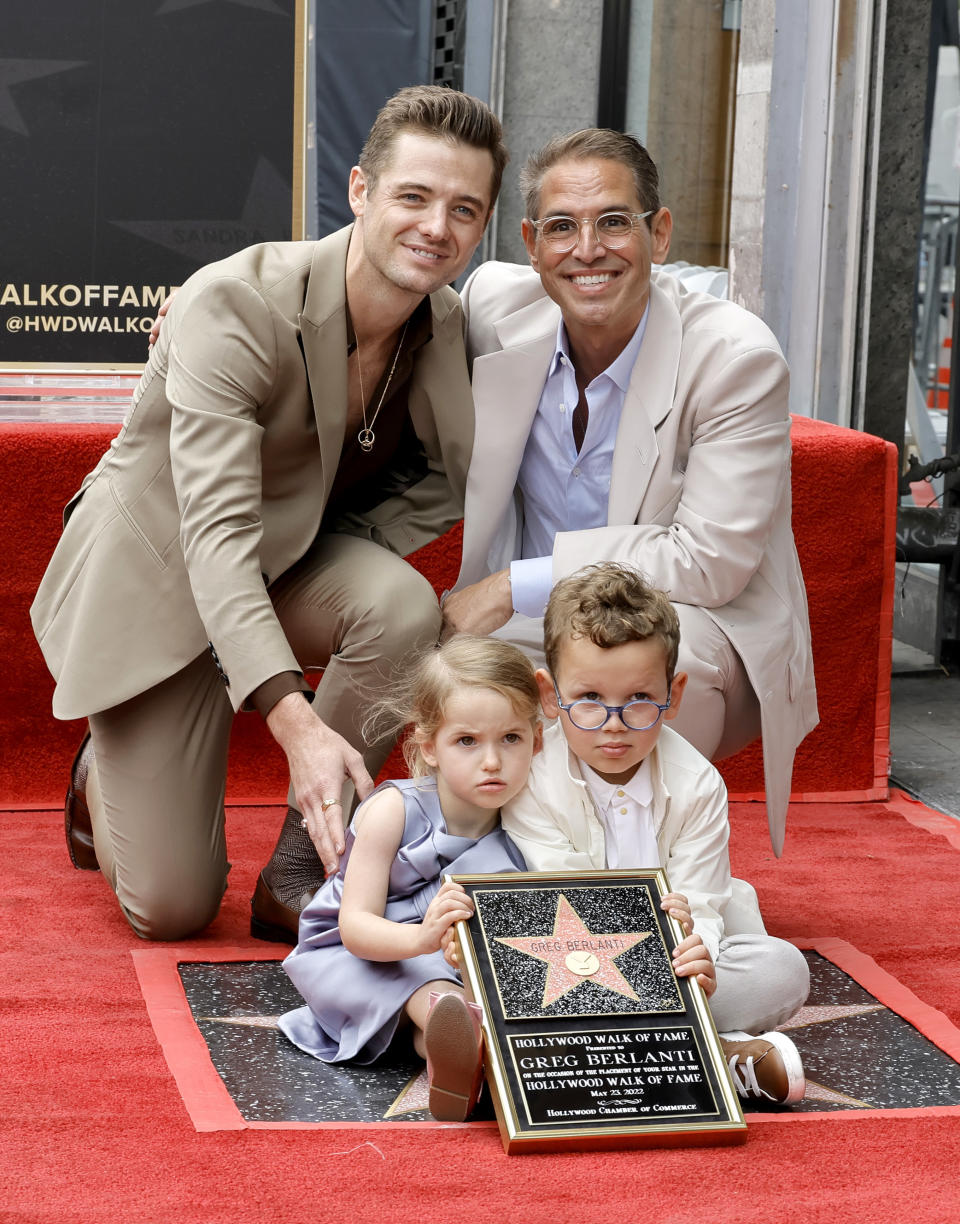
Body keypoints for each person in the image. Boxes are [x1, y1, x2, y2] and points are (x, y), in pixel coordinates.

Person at [30, 86, 508, 942]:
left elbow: (444, 477)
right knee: (171, 908)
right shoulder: (234, 304)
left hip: (280, 560)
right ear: (360, 191)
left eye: (463, 209)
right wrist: (297, 723)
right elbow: (213, 536)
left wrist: (338, 548)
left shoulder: (443, 324)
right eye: (414, 197)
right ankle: (103, 769)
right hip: (162, 578)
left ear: (482, 226)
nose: (437, 226)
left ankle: (307, 862)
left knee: (399, 606)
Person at [443, 128, 818, 856]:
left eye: (614, 220)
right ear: (530, 242)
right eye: (562, 227)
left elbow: (708, 560)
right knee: (433, 659)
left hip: (693, 620)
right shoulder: (494, 306)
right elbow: (377, 298)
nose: (588, 249)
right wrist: (213, 308)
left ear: (661, 232)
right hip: (539, 620)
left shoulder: (736, 358)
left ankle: (638, 886)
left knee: (652, 667)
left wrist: (507, 585)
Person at [498, 562, 809, 1105]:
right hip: (569, 960)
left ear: (675, 692)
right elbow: (559, 898)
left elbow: (704, 901)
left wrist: (698, 955)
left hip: (670, 963)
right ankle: (715, 1052)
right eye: (589, 698)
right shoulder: (532, 778)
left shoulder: (699, 785)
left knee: (783, 969)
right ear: (549, 696)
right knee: (504, 978)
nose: (614, 724)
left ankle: (594, 1054)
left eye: (640, 699)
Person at [278, 635, 540, 1121]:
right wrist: (424, 938)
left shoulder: (529, 828)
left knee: (453, 1004)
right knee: (435, 991)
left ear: (536, 741)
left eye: (511, 738)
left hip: (445, 963)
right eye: (467, 741)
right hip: (352, 953)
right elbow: (354, 927)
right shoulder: (394, 810)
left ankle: (450, 1057)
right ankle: (457, 1026)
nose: (491, 761)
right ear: (429, 746)